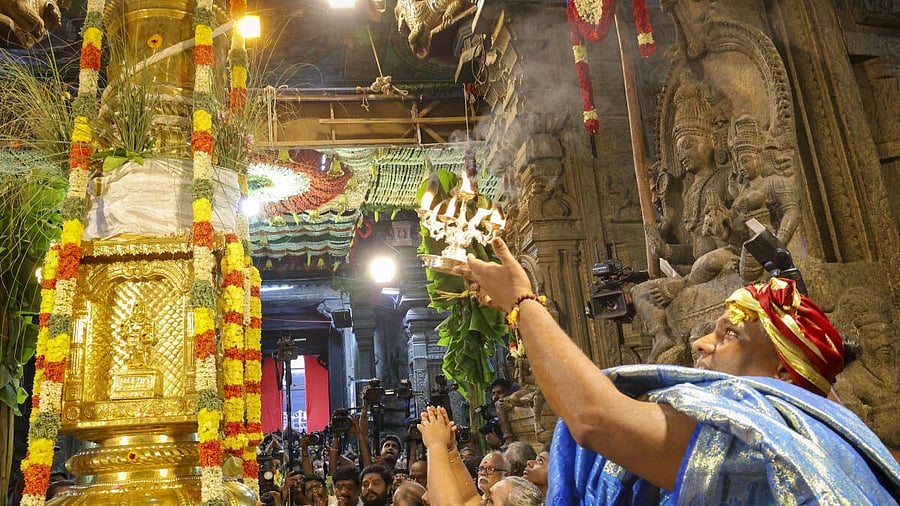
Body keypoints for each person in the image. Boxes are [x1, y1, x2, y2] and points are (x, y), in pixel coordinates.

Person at [457, 237, 900, 504]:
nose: (701, 343)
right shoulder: (823, 426)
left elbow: (595, 418)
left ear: (785, 375)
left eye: (729, 336)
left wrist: (522, 302)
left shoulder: (766, 437)